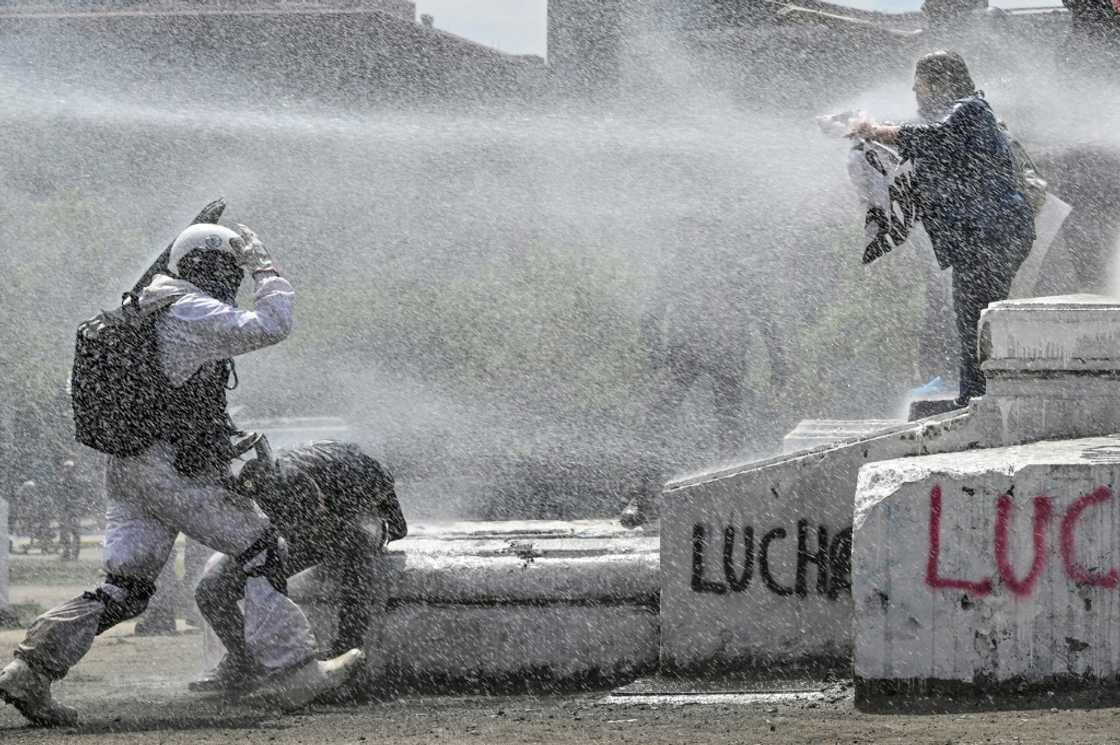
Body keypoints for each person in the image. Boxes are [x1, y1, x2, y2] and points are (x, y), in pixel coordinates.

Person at [0, 222, 364, 727]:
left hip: (128, 467)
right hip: (171, 472)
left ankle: (29, 671)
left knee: (123, 589)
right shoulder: (191, 309)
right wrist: (265, 267)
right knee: (261, 550)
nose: (233, 279)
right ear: (213, 267)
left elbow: (158, 393)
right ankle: (294, 671)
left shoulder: (141, 309)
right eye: (229, 269)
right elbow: (273, 324)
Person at [850, 50, 1035, 408]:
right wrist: (875, 140)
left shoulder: (971, 110)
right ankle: (975, 396)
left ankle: (979, 399)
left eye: (920, 83)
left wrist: (876, 131)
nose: (914, 91)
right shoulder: (962, 116)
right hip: (977, 238)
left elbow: (933, 137)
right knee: (970, 317)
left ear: (943, 82)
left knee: (976, 316)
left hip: (992, 234)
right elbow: (925, 145)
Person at [191, 440, 406, 693]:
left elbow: (398, 528)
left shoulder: (361, 477)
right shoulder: (263, 484)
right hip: (300, 518)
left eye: (298, 519)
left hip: (342, 522)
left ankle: (349, 651)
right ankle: (244, 661)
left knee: (357, 545)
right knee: (210, 591)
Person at [622, 215, 789, 528]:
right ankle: (642, 497)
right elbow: (650, 316)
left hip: (726, 352)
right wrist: (656, 354)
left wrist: (778, 361)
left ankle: (729, 495)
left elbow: (765, 318)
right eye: (689, 234)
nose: (694, 241)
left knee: (727, 426)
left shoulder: (735, 270)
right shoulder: (678, 268)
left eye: (699, 234)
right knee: (655, 419)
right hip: (686, 352)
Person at [54, 459, 82, 562]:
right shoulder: (64, 481)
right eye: (66, 468)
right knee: (67, 532)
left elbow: (79, 496)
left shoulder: (72, 481)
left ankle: (72, 554)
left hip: (71, 509)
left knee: (72, 532)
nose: (67, 470)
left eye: (68, 468)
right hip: (68, 509)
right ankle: (68, 553)